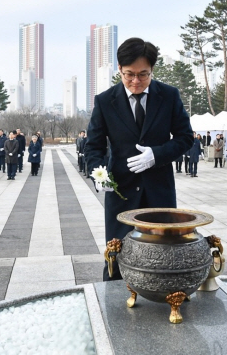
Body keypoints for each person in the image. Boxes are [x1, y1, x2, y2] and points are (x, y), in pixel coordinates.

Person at [83, 37, 194, 281]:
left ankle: (166, 299)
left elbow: (186, 138)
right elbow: (94, 146)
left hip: (159, 192)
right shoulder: (105, 101)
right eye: (129, 74)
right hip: (121, 192)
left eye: (143, 75)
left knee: (163, 254)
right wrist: (97, 171)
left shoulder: (169, 96)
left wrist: (156, 155)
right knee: (118, 256)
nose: (136, 81)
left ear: (152, 70)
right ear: (119, 70)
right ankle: (114, 306)